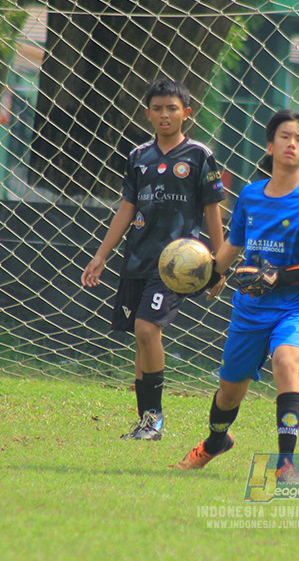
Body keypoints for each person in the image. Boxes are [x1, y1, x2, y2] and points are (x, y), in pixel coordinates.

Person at [172, 109, 299, 479]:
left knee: (286, 361)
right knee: (229, 392)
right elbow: (233, 246)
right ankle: (216, 441)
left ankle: (286, 464)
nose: (292, 143)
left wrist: (282, 277)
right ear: (270, 145)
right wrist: (205, 274)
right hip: (250, 309)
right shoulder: (250, 195)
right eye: (284, 136)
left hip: (295, 306)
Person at [81, 78, 225, 441]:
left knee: (147, 329)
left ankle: (155, 418)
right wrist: (101, 256)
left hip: (177, 264)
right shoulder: (138, 156)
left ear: (186, 114)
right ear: (147, 113)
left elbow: (213, 209)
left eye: (172, 108)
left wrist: (218, 264)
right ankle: (145, 421)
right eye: (158, 108)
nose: (165, 115)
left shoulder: (199, 156)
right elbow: (127, 208)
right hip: (137, 259)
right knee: (141, 339)